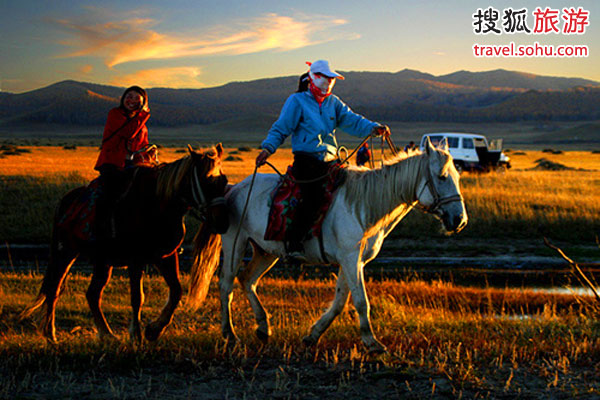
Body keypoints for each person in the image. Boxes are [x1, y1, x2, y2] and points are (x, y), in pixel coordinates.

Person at [255, 60, 390, 259]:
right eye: (326, 78)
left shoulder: (333, 102)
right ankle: (294, 240)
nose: (329, 82)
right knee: (314, 197)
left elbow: (352, 120)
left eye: (331, 79)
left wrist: (374, 128)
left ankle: (340, 239)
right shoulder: (297, 101)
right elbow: (281, 127)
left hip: (331, 160)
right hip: (306, 160)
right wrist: (267, 148)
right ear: (314, 77)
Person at [94, 86, 150, 239]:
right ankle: (99, 233)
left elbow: (142, 146)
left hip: (133, 165)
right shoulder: (115, 114)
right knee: (109, 196)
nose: (131, 100)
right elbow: (128, 132)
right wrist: (144, 114)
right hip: (112, 163)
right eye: (128, 96)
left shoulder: (142, 124)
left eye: (136, 98)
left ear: (143, 102)